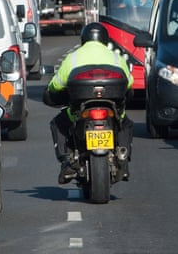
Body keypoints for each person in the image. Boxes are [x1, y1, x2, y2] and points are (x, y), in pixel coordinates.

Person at [46, 22, 134, 184]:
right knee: (125, 123)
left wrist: (50, 93)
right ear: (105, 39)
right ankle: (123, 158)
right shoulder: (116, 57)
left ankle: (67, 161)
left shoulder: (73, 57)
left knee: (58, 123)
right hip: (112, 108)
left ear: (83, 39)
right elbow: (129, 82)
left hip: (80, 111)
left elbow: (56, 84)